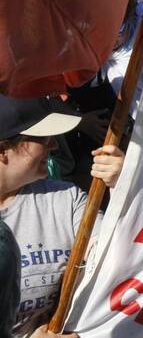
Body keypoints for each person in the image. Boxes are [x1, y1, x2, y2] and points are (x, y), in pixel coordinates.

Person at [1, 95, 125, 337]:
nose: (55, 146)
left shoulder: (66, 199)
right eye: (43, 138)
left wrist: (127, 188)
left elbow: (121, 255)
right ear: (4, 150)